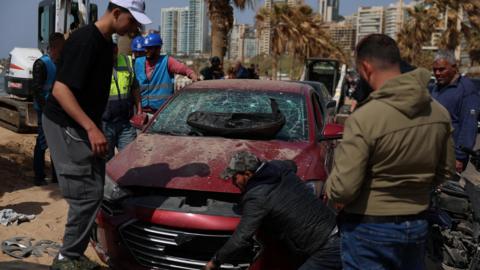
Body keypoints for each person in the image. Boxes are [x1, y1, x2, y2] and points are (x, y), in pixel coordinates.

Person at [325, 34, 455, 270]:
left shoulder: (365, 118)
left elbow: (343, 188)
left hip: (368, 226)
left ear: (365, 67)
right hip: (416, 223)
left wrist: (331, 191)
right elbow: (445, 170)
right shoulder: (439, 113)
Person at [42, 1, 151, 269]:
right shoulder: (85, 41)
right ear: (116, 13)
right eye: (133, 20)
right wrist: (91, 128)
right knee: (85, 194)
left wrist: (94, 126)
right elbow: (60, 90)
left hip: (83, 124)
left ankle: (74, 254)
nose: (135, 26)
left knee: (96, 187)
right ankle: (66, 258)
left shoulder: (105, 44)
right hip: (63, 123)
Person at [204, 151, 341, 270]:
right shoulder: (277, 167)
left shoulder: (257, 197)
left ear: (247, 174)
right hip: (338, 229)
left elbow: (240, 238)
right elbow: (291, 165)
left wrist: (214, 262)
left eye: (235, 177)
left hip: (327, 248)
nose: (233, 182)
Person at [429, 50, 480, 173]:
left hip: (450, 157)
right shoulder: (437, 88)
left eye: (441, 69)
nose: (437, 73)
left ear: (454, 67)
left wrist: (459, 157)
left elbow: (469, 125)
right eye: (435, 70)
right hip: (431, 152)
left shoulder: (466, 90)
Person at [134, 33, 198, 114]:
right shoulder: (138, 62)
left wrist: (193, 75)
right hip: (141, 111)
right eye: (146, 48)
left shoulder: (167, 61)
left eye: (150, 48)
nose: (146, 50)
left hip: (162, 112)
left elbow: (184, 69)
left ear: (158, 49)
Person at [32, 32, 65, 186]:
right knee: (42, 141)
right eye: (61, 48)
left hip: (57, 109)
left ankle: (56, 176)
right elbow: (37, 90)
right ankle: (38, 176)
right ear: (53, 47)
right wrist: (46, 110)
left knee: (56, 142)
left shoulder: (60, 63)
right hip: (44, 110)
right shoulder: (41, 64)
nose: (63, 50)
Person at [102, 34, 141, 161]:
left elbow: (134, 87)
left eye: (114, 47)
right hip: (105, 124)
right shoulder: (96, 66)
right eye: (108, 48)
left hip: (125, 123)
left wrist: (139, 110)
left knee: (129, 160)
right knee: (106, 163)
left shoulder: (127, 61)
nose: (112, 51)